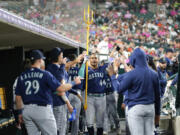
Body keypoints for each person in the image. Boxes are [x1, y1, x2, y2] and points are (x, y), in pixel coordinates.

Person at [15, 50, 81, 135]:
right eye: (42, 59)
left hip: (27, 111)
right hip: (42, 110)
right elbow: (61, 88)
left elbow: (18, 97)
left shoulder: (22, 76)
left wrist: (20, 113)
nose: (43, 61)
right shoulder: (45, 74)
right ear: (39, 60)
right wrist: (74, 82)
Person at [107, 48, 161, 135]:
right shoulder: (154, 74)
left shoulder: (132, 73)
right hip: (150, 108)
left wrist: (113, 76)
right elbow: (158, 96)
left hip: (136, 108)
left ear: (134, 59)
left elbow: (120, 89)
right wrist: (158, 114)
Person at [46, 47, 82, 135]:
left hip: (57, 102)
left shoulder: (55, 68)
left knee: (60, 128)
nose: (63, 58)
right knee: (59, 129)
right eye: (61, 56)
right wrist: (68, 103)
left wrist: (75, 93)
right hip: (58, 103)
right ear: (57, 57)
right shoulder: (54, 69)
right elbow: (61, 89)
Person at [83, 53, 109, 135]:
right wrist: (84, 62)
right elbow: (80, 74)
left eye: (95, 58)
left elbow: (111, 60)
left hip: (101, 98)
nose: (94, 60)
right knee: (89, 121)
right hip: (89, 97)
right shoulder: (86, 69)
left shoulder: (102, 68)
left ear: (98, 60)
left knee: (100, 122)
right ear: (89, 60)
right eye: (92, 58)